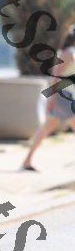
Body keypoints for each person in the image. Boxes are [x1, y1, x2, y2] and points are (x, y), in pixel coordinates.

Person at [22, 26, 75, 171]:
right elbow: (55, 76)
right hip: (64, 96)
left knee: (46, 128)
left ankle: (27, 160)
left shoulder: (69, 52)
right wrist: (51, 99)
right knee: (48, 128)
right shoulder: (68, 53)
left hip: (66, 96)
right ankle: (27, 160)